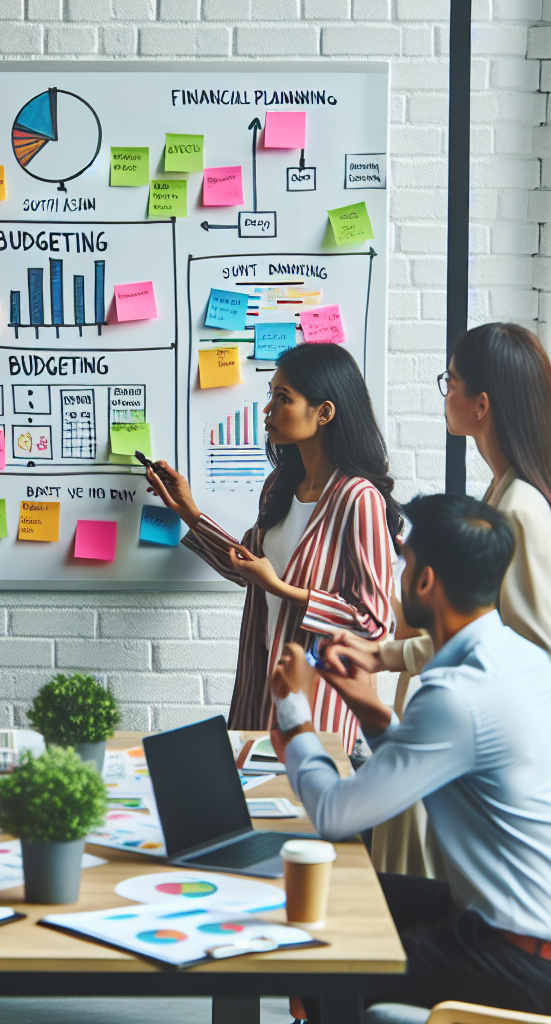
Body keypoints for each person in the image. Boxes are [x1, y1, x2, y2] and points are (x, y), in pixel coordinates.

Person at [270, 493, 551, 1013]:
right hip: (511, 919)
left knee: (334, 961)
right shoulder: (521, 658)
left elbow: (334, 814)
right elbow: (444, 763)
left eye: (406, 561)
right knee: (337, 889)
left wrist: (294, 714)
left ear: (425, 582)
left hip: (520, 956)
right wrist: (372, 713)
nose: (397, 576)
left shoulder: (455, 694)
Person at [146, 343, 399, 753]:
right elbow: (244, 566)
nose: (267, 410)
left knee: (299, 814)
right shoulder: (279, 485)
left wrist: (283, 590)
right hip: (260, 683)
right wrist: (188, 511)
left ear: (324, 412)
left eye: (282, 398)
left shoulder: (358, 499)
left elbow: (373, 622)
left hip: (319, 701)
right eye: (271, 395)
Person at [371, 322, 551, 879]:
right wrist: (389, 654)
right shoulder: (501, 491)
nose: (444, 390)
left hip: (466, 757)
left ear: (482, 404)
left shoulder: (520, 508)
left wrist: (398, 654)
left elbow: (525, 651)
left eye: (451, 378)